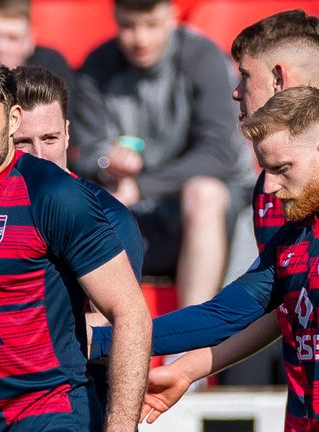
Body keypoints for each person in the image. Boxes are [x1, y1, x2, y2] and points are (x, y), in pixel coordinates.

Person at [0, 55, 152, 431]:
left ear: (9, 120)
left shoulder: (56, 195)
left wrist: (121, 426)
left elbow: (130, 313)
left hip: (54, 414)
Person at [90, 85, 319, 430]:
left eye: (282, 167)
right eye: (264, 169)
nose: (269, 187)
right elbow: (220, 316)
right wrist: (97, 340)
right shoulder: (294, 241)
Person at [132, 9, 319, 423]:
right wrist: (190, 366)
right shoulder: (273, 187)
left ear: (279, 78)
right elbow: (279, 300)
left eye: (244, 76)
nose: (235, 92)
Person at [72, 0, 253, 308]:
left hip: (215, 206)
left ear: (172, 16)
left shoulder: (202, 57)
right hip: (130, 203)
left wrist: (141, 186)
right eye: (129, 26)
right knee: (80, 202)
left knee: (203, 192)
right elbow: (84, 153)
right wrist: (107, 162)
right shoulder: (97, 65)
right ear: (115, 19)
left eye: (151, 25)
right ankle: (98, 335)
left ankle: (192, 333)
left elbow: (219, 154)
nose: (140, 39)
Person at [13, 64, 144, 412]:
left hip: (82, 405)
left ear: (68, 135)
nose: (39, 156)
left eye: (50, 139)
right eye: (22, 142)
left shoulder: (108, 216)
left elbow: (116, 325)